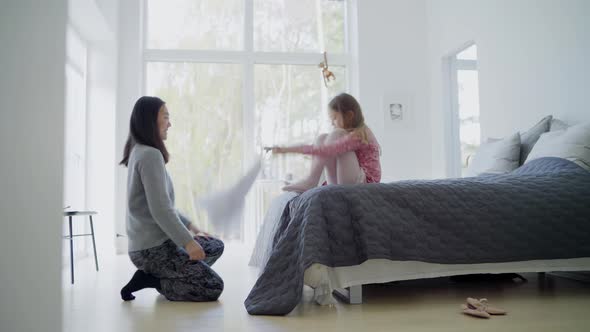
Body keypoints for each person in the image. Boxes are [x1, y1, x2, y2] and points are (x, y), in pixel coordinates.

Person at [119, 96, 224, 302]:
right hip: (152, 250)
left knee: (214, 245)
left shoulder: (141, 151)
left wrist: (193, 229)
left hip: (152, 245)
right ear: (150, 120)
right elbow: (161, 210)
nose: (170, 123)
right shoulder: (149, 155)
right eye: (165, 117)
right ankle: (153, 280)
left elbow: (162, 205)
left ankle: (170, 276)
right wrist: (187, 243)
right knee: (212, 287)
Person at [268, 93, 381, 192]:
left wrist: (287, 150)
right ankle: (312, 180)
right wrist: (286, 150)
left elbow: (327, 151)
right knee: (322, 138)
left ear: (349, 115)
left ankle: (311, 180)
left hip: (365, 182)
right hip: (347, 179)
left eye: (335, 118)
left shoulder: (360, 134)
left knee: (336, 135)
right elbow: (325, 149)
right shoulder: (351, 134)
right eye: (331, 119)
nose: (332, 123)